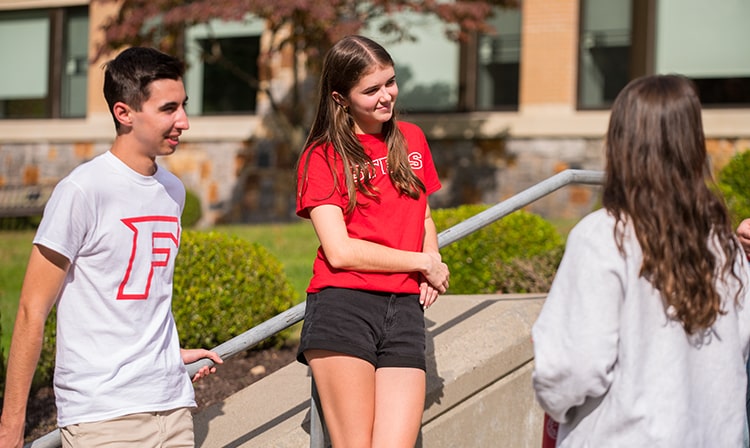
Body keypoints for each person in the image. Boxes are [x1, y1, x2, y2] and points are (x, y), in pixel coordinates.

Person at [0, 47, 222, 448]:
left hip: (172, 406)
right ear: (124, 113)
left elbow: (140, 293)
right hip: (103, 417)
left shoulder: (172, 191)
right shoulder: (82, 191)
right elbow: (33, 310)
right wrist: (11, 427)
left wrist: (168, 352)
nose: (184, 122)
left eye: (183, 106)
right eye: (168, 109)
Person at [531, 74, 750, 446]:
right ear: (694, 146)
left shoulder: (603, 237)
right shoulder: (722, 242)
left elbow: (572, 367)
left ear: (620, 143)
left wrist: (557, 404)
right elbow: (739, 344)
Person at [294, 35, 450, 448]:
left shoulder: (412, 139)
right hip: (343, 307)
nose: (387, 96)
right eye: (371, 90)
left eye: (390, 82)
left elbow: (425, 214)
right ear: (340, 97)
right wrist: (420, 260)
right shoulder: (322, 157)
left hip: (404, 310)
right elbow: (340, 251)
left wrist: (432, 260)